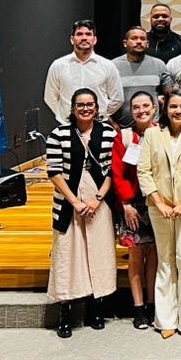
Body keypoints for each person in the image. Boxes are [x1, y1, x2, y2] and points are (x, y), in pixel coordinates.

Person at [46, 88, 117, 338]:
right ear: (73, 108)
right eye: (80, 105)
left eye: (90, 104)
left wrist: (98, 199)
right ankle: (65, 312)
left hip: (99, 200)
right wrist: (75, 202)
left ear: (96, 107)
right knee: (67, 254)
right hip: (68, 202)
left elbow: (112, 170)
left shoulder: (108, 133)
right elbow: (54, 172)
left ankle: (96, 308)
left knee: (99, 252)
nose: (85, 109)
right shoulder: (58, 134)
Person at [138, 90, 181, 339]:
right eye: (173, 106)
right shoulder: (152, 134)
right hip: (159, 207)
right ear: (165, 109)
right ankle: (166, 319)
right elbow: (143, 171)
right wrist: (159, 203)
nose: (178, 111)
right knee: (165, 260)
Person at [111, 92, 159, 330]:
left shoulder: (162, 133)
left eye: (146, 106)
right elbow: (117, 174)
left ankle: (152, 303)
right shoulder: (125, 137)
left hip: (157, 203)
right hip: (133, 205)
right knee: (136, 257)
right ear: (131, 111)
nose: (142, 111)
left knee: (155, 257)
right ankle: (138, 307)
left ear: (154, 108)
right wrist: (126, 204)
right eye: (136, 107)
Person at [44, 19, 123, 125]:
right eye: (79, 34)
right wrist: (65, 116)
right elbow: (50, 97)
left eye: (88, 34)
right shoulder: (58, 65)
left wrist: (100, 114)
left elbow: (118, 98)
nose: (84, 38)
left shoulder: (108, 66)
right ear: (72, 39)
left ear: (94, 39)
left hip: (98, 125)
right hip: (67, 125)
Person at [111, 27, 174, 127]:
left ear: (147, 44)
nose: (139, 41)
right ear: (125, 43)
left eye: (142, 39)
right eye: (134, 38)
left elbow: (171, 95)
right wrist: (111, 123)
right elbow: (104, 98)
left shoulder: (159, 65)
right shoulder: (113, 66)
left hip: (153, 127)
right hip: (123, 128)